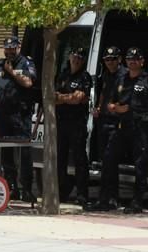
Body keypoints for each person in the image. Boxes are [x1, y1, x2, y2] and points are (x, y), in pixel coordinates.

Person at [100, 47, 148, 214]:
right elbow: (110, 102)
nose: (132, 62)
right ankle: (111, 199)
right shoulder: (121, 80)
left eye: (135, 59)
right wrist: (116, 108)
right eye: (129, 59)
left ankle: (137, 202)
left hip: (142, 129)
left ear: (142, 61)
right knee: (109, 159)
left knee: (140, 166)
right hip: (122, 127)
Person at [0, 35, 38, 203]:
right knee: (6, 153)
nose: (9, 51)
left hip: (20, 115)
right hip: (2, 116)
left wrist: (12, 72)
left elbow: (28, 82)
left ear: (18, 47)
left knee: (24, 153)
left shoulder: (26, 63)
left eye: (12, 48)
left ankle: (27, 189)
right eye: (7, 48)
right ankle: (12, 186)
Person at [86, 46, 127, 211]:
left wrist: (115, 107)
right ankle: (108, 198)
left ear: (119, 59)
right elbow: (104, 91)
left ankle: (109, 198)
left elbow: (127, 98)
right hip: (104, 121)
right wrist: (98, 106)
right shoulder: (106, 75)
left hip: (117, 122)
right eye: (107, 60)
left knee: (110, 160)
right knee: (106, 161)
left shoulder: (125, 75)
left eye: (112, 59)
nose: (109, 62)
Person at [54, 46, 93, 205]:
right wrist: (68, 98)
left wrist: (62, 97)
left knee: (80, 159)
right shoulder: (62, 75)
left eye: (79, 57)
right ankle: (62, 190)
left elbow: (78, 98)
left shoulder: (85, 77)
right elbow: (53, 98)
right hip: (62, 122)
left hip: (77, 124)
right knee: (60, 159)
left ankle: (82, 194)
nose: (76, 59)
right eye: (74, 56)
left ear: (83, 60)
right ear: (69, 56)